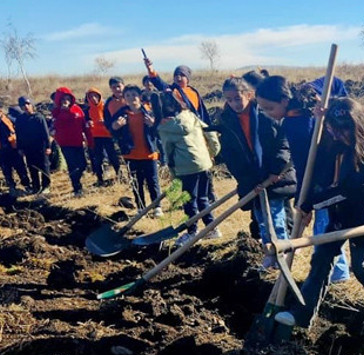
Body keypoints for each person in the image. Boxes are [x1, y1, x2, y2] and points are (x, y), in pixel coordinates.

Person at [273, 98, 364, 329]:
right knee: (322, 259)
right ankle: (302, 314)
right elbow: (315, 168)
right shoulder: (331, 141)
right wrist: (318, 119)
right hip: (341, 209)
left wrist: (310, 206)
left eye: (343, 130)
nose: (338, 135)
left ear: (357, 126)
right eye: (333, 129)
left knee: (363, 267)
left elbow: (344, 190)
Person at [271, 75, 364, 283]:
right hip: (336, 182)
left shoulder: (300, 123)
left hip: (343, 184)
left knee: (354, 227)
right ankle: (339, 273)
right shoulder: (314, 118)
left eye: (269, 109)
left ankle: (347, 272)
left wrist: (334, 107)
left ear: (284, 101)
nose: (268, 115)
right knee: (339, 227)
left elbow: (305, 164)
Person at [217, 76, 297, 266]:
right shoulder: (226, 121)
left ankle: (282, 254)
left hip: (275, 176)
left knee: (276, 217)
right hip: (252, 180)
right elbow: (230, 155)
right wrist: (247, 180)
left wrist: (277, 168)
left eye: (238, 98)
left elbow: (283, 142)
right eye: (229, 100)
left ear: (249, 94)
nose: (234, 104)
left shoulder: (265, 113)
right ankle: (270, 254)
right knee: (262, 220)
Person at [157, 92, 222, 245]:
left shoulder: (165, 128)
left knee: (189, 200)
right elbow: (210, 132)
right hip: (204, 163)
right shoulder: (191, 116)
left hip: (186, 168)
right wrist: (212, 152)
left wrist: (173, 172)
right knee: (203, 198)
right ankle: (212, 229)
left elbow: (168, 151)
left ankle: (192, 232)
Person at [110, 85, 162, 215]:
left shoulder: (149, 112)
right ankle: (141, 207)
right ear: (124, 99)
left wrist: (153, 124)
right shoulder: (122, 113)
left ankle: (157, 207)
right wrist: (116, 126)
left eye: (134, 94)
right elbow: (112, 129)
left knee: (153, 182)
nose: (131, 98)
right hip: (131, 155)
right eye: (127, 95)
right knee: (136, 183)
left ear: (140, 96)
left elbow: (159, 132)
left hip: (149, 153)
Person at [51, 87, 88, 196]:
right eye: (63, 99)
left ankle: (77, 180)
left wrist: (88, 139)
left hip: (78, 142)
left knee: (83, 165)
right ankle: (77, 188)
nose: (66, 101)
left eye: (67, 99)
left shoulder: (77, 109)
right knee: (72, 166)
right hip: (66, 144)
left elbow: (83, 124)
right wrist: (63, 111)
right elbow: (57, 126)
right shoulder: (56, 113)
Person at [14, 97, 52, 194]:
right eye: (23, 105)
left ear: (31, 105)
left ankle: (46, 186)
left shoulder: (39, 117)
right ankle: (36, 187)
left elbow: (45, 133)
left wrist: (48, 146)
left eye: (27, 104)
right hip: (28, 147)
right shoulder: (20, 120)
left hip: (41, 147)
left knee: (44, 166)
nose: (26, 107)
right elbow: (18, 134)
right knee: (32, 167)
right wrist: (20, 148)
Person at [83, 87, 121, 185]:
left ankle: (119, 175)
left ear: (99, 96)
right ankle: (100, 178)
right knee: (98, 158)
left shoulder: (106, 107)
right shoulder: (87, 110)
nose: (93, 98)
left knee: (113, 156)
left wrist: (105, 122)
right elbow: (85, 123)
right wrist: (88, 124)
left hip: (107, 135)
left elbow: (112, 119)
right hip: (95, 136)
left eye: (95, 96)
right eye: (90, 97)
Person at [0, 107, 31, 195]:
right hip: (2, 150)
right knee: (7, 170)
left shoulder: (10, 118)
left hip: (13, 147)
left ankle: (27, 185)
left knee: (21, 168)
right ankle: (11, 187)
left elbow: (19, 131)